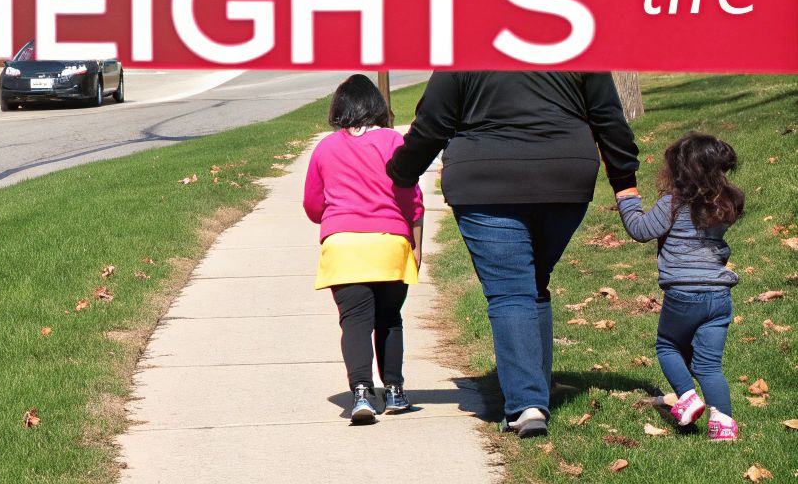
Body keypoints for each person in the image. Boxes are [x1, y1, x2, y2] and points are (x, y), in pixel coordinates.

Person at [386, 71, 638, 438]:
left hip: (486, 182)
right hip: (565, 180)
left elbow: (432, 123)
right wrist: (625, 182)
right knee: (533, 282)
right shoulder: (576, 39)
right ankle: (537, 388)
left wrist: (400, 173)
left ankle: (526, 404)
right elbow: (607, 116)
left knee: (511, 290)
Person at [304, 74, 423, 425]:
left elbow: (313, 205)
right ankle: (396, 391)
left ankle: (360, 393)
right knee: (390, 319)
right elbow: (411, 199)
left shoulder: (326, 148)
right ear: (378, 107)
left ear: (339, 108)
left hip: (344, 248)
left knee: (354, 322)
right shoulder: (392, 141)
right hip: (388, 244)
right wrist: (416, 244)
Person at [617, 131, 744, 441]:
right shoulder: (727, 204)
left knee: (668, 346)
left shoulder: (672, 204)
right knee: (709, 365)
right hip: (719, 296)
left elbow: (640, 229)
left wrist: (626, 197)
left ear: (680, 170)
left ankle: (687, 398)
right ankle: (723, 425)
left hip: (684, 293)